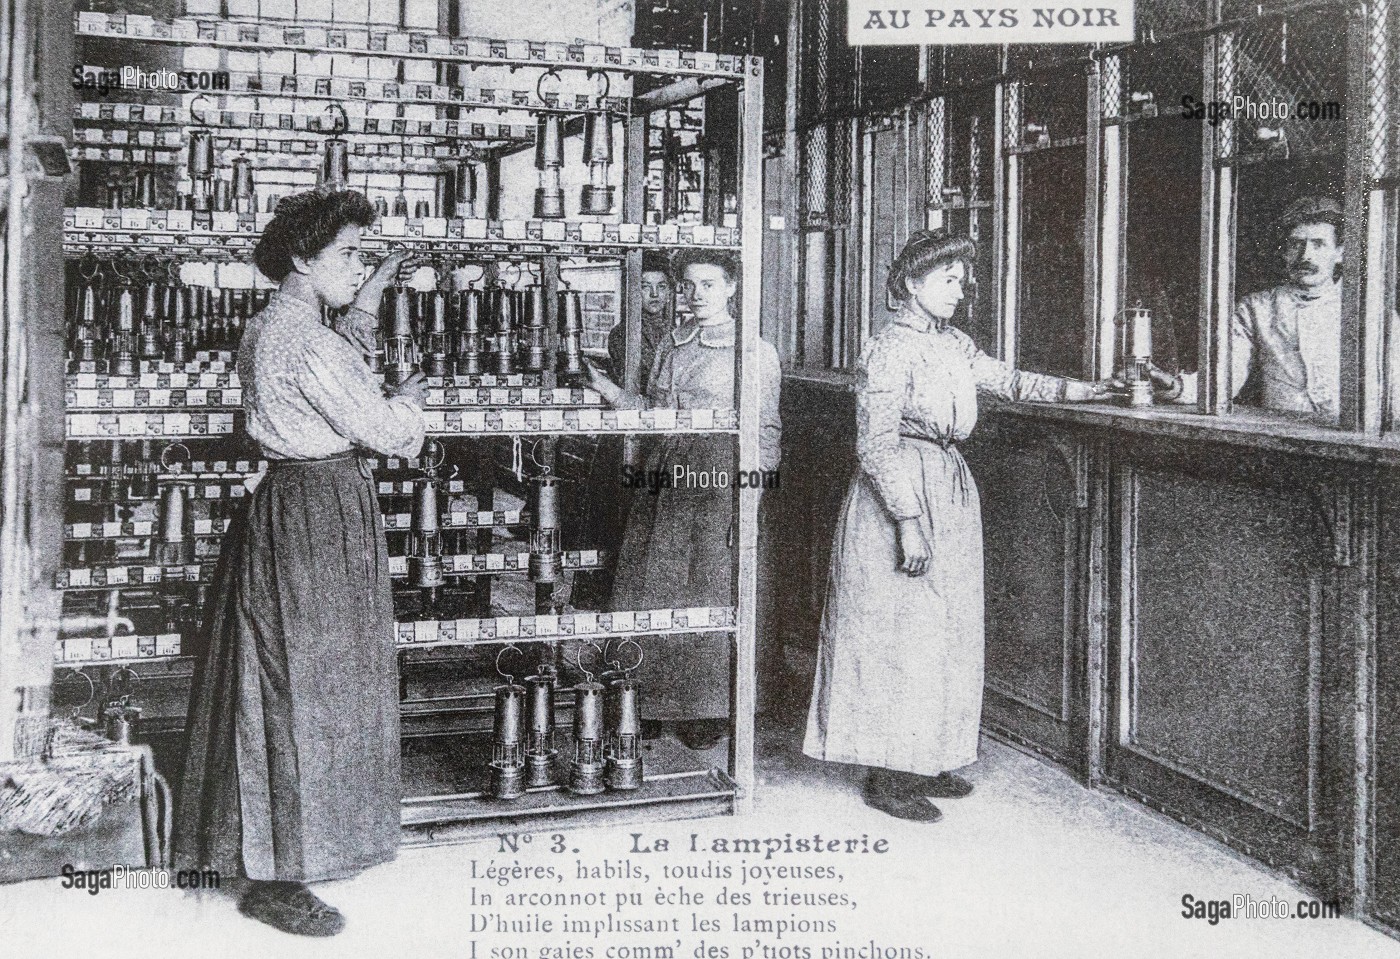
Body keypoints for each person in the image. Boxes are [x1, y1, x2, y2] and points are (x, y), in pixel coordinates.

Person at [174, 189, 426, 936]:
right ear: (301, 258)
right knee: (307, 686)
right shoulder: (306, 342)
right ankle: (281, 878)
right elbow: (386, 431)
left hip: (295, 506)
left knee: (289, 678)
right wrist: (410, 402)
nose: (361, 265)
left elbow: (332, 365)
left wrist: (370, 298)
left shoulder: (274, 326)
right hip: (319, 513)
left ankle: (275, 851)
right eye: (350, 254)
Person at [803, 229, 1107, 822]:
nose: (959, 292)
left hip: (949, 486)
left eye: (963, 282)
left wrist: (1091, 390)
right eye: (948, 280)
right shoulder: (888, 349)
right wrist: (908, 521)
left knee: (945, 630)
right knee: (900, 634)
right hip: (900, 497)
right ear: (912, 284)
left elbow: (1015, 382)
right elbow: (874, 444)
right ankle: (889, 775)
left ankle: (929, 755)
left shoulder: (954, 344)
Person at [587, 249, 781, 750]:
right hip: (666, 473)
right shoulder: (672, 344)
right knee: (652, 582)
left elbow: (766, 431)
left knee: (712, 588)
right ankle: (644, 701)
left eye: (709, 285)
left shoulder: (754, 351)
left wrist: (753, 499)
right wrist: (603, 388)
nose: (695, 296)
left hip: (722, 477)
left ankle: (707, 709)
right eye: (688, 286)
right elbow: (654, 413)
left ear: (734, 288)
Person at [1158, 196, 1344, 423]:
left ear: (1340, 253)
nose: (1305, 255)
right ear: (1284, 252)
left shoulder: (1367, 310)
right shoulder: (1257, 308)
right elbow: (1225, 378)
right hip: (1282, 437)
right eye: (1296, 244)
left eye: (1318, 244)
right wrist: (1174, 387)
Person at [607, 250, 676, 391]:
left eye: (661, 287)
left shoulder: (676, 332)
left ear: (669, 292)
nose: (654, 293)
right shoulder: (622, 334)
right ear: (633, 291)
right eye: (646, 287)